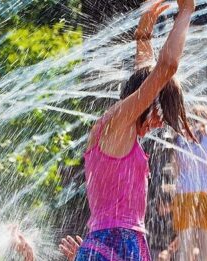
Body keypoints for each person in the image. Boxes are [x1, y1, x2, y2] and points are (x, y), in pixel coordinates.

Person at [74, 0, 196, 259]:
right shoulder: (118, 121)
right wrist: (186, 11)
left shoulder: (120, 126)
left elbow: (145, 76)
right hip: (115, 242)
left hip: (115, 242)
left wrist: (143, 36)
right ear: (145, 101)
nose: (161, 122)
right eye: (161, 111)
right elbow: (165, 69)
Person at [172, 104, 207, 261]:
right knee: (206, 251)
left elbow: (176, 169)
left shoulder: (180, 136)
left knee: (184, 249)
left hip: (185, 192)